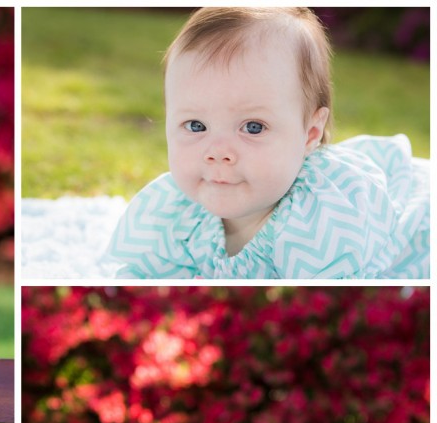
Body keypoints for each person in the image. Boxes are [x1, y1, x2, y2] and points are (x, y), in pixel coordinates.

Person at [108, 7, 429, 278]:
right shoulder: (171, 218)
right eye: (196, 125)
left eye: (252, 127)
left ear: (310, 134)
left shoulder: (326, 223)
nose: (218, 153)